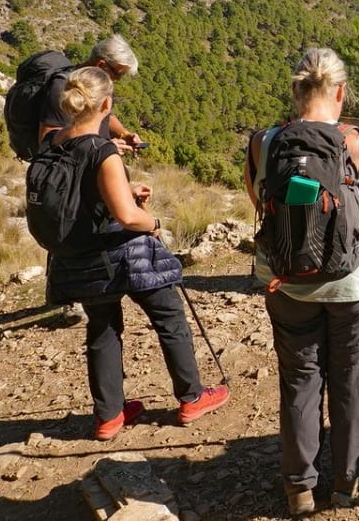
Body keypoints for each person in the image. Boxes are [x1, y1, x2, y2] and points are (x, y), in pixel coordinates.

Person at [244, 47, 359, 517]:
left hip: (288, 280)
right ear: (340, 91)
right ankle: (348, 481)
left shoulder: (264, 142)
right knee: (352, 377)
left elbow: (257, 198)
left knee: (299, 380)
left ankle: (298, 486)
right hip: (355, 282)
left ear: (295, 91)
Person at [38, 66, 229, 441]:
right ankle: (191, 397)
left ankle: (109, 416)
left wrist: (127, 193)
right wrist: (152, 220)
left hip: (79, 261)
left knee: (103, 328)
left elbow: (84, 199)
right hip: (121, 254)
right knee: (169, 316)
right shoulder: (102, 150)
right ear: (106, 104)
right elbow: (127, 217)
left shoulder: (52, 144)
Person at [39, 35, 143, 326]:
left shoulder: (91, 87)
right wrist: (100, 148)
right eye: (118, 75)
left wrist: (121, 135)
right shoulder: (62, 88)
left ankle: (97, 285)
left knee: (95, 225)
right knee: (67, 228)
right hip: (69, 175)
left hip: (92, 166)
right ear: (101, 64)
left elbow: (104, 115)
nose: (119, 82)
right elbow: (47, 137)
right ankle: (69, 298)